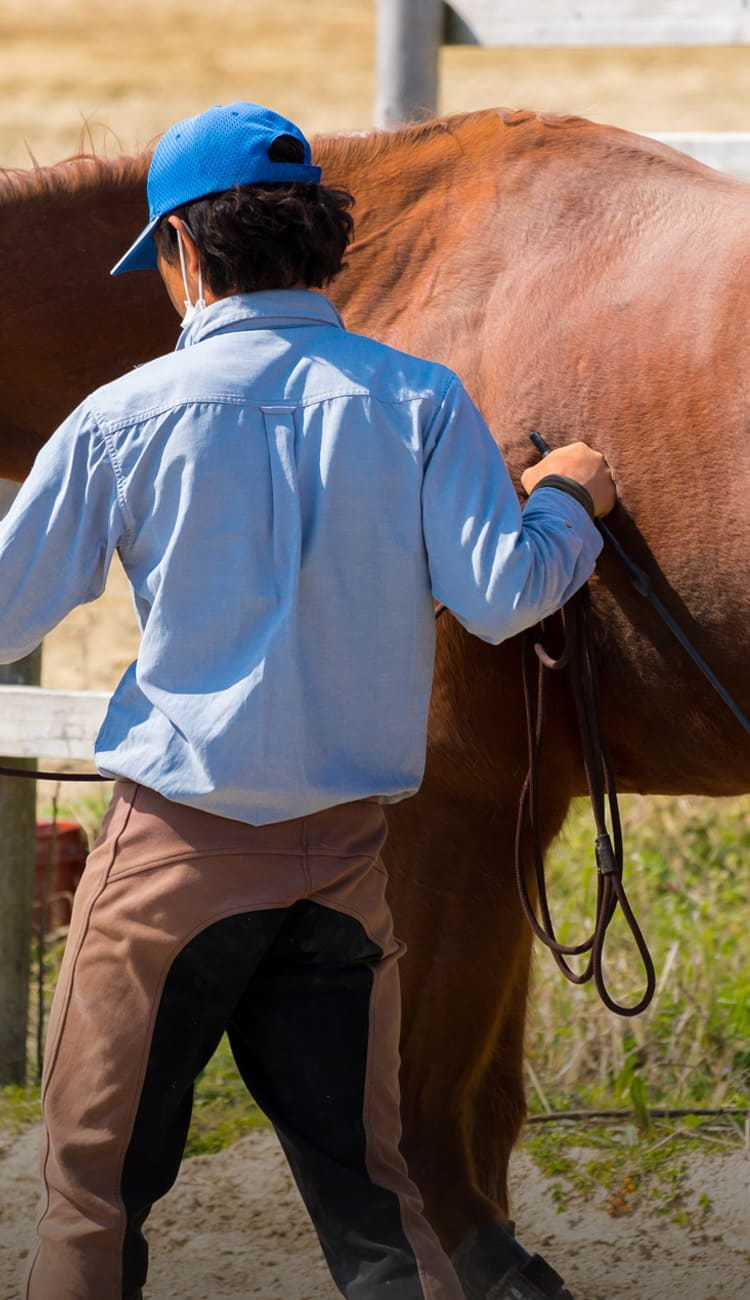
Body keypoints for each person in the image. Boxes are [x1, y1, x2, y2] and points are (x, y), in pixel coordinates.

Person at [3, 103, 615, 1300]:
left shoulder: (123, 417)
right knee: (379, 1205)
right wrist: (571, 499)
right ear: (322, 241)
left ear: (182, 248)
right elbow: (505, 597)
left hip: (172, 868)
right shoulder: (424, 403)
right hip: (345, 869)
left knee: (92, 1195)